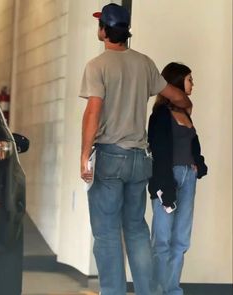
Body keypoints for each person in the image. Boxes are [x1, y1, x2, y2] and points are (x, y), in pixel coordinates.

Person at [79, 4, 192, 295]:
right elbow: (176, 96)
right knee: (137, 230)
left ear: (104, 30)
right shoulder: (144, 63)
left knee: (106, 234)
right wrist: (186, 105)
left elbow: (94, 110)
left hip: (109, 157)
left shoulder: (97, 65)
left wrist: (83, 156)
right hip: (140, 160)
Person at [148, 62, 208, 295]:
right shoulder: (160, 116)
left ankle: (172, 290)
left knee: (181, 240)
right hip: (166, 178)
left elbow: (193, 144)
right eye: (189, 79)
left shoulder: (185, 113)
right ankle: (157, 291)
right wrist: (163, 185)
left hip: (187, 178)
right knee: (161, 240)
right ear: (176, 81)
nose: (192, 83)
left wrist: (197, 164)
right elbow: (158, 151)